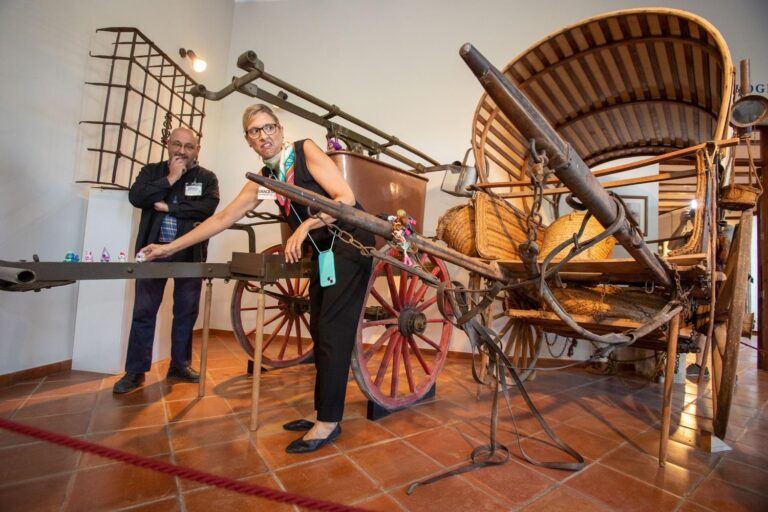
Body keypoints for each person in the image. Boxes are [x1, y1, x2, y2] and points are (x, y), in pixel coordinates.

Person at [140, 104, 374, 453]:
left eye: (268, 128)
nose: (263, 136)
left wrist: (305, 226)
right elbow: (221, 219)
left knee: (333, 332)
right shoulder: (266, 179)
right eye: (254, 131)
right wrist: (169, 247)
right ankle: (320, 412)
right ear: (248, 140)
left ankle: (329, 423)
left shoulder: (304, 150)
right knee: (322, 331)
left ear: (280, 130)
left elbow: (345, 199)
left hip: (351, 244)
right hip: (325, 253)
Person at [112, 127, 220, 394]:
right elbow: (137, 197)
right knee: (144, 312)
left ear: (197, 149)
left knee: (185, 312)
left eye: (188, 146)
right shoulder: (151, 172)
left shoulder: (207, 178)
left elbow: (208, 209)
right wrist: (170, 179)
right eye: (177, 145)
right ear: (168, 145)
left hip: (189, 255)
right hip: (151, 253)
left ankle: (180, 366)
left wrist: (170, 206)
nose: (182, 151)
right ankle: (135, 372)